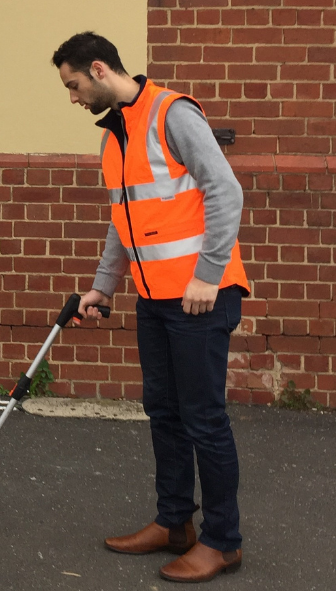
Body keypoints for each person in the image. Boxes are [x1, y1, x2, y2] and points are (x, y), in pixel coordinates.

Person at [51, 32, 249, 583]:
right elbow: (125, 220)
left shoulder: (172, 113)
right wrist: (103, 286)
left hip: (200, 297)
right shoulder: (114, 138)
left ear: (98, 69)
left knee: (204, 421)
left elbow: (224, 191)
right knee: (164, 414)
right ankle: (174, 523)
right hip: (154, 298)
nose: (71, 98)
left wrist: (208, 275)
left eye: (72, 85)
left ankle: (223, 541)